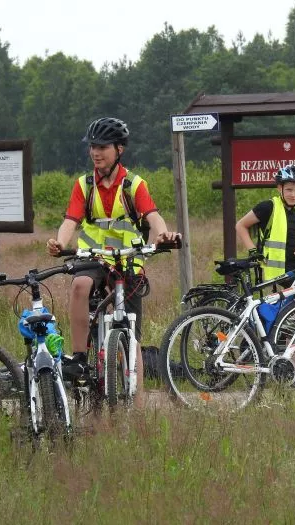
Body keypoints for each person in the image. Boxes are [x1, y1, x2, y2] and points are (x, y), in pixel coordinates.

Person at [46, 117, 179, 402]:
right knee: (80, 285)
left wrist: (163, 235)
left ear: (119, 149)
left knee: (131, 334)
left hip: (129, 261)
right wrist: (61, 242)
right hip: (94, 258)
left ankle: (139, 401)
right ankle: (80, 357)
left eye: (102, 147)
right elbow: (71, 220)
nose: (95, 152)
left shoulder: (133, 184)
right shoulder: (83, 185)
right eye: (92, 146)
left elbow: (153, 217)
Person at [235, 164, 295, 282]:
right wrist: (253, 251)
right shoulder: (268, 207)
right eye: (289, 190)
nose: (293, 195)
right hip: (280, 269)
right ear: (280, 188)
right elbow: (240, 225)